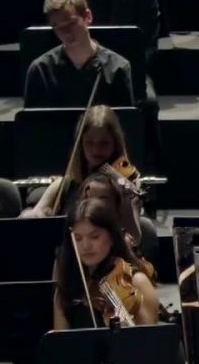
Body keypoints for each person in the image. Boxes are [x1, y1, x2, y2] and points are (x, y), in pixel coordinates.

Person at [24, 105, 144, 240]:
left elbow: (135, 237)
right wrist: (36, 215)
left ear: (115, 144)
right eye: (89, 143)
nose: (95, 150)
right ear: (80, 144)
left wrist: (126, 201)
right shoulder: (63, 185)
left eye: (104, 143)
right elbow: (31, 220)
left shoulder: (128, 181)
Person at [23, 0, 135, 108]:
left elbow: (125, 124)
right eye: (57, 27)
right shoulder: (40, 70)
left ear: (88, 17)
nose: (66, 32)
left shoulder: (117, 68)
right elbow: (31, 124)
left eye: (71, 23)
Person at [53, 198, 158, 329]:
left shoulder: (137, 282)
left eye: (95, 236)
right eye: (78, 238)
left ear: (112, 237)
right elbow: (60, 345)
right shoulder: (67, 287)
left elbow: (150, 343)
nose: (85, 246)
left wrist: (124, 326)